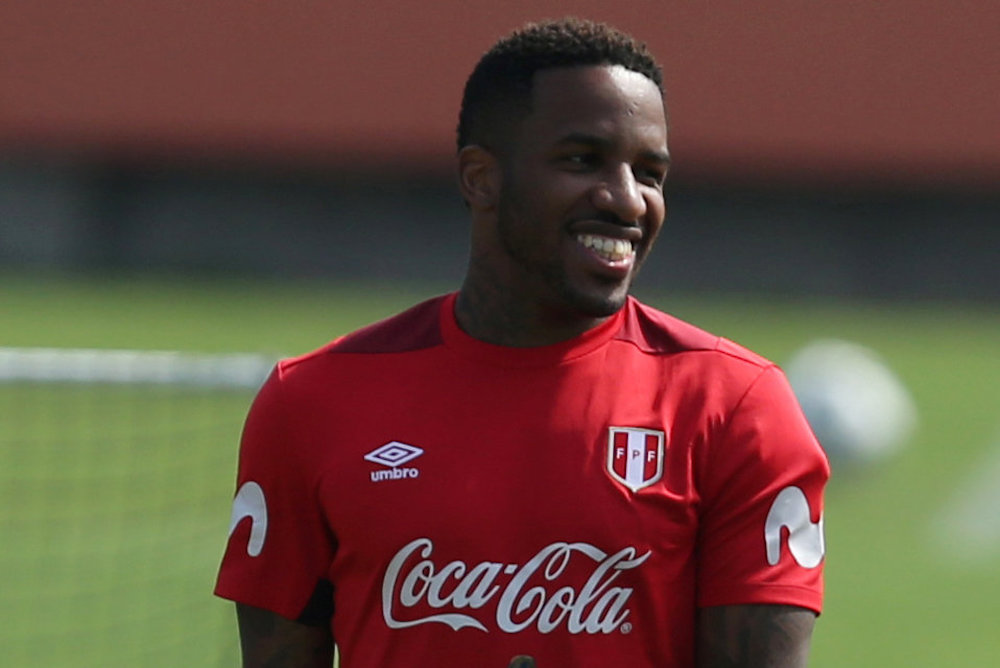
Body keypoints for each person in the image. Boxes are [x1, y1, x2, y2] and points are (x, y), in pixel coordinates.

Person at [215, 17, 829, 668]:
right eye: (580, 160)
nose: (626, 200)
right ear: (480, 178)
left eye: (649, 173)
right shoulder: (311, 401)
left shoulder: (734, 407)